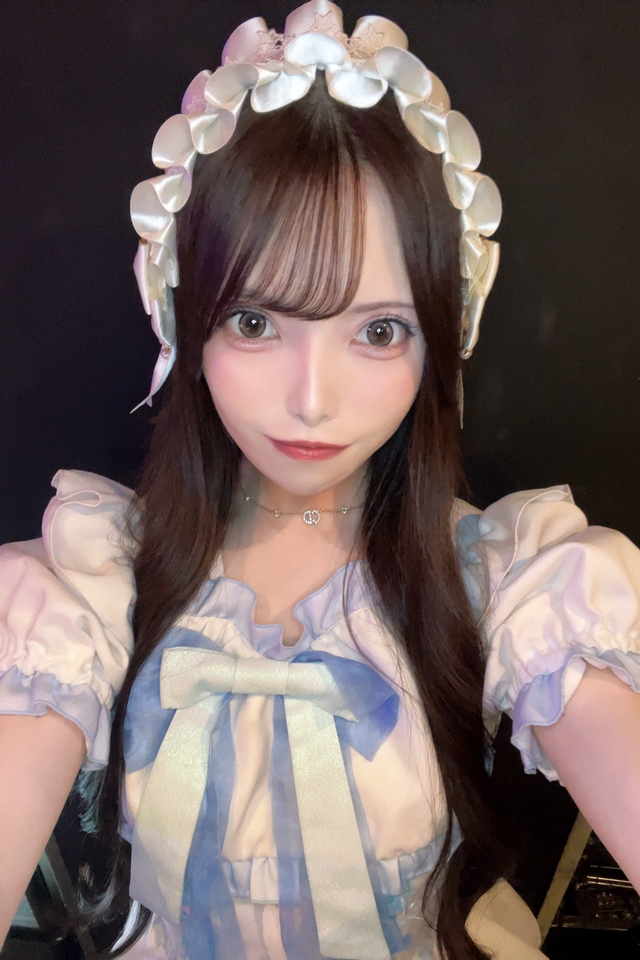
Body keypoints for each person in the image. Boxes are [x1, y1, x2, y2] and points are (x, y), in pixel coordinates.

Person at [1, 2, 639, 959]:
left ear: (440, 340)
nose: (311, 401)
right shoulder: (99, 579)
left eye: (378, 331)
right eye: (256, 322)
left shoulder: (501, 582)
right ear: (186, 322)